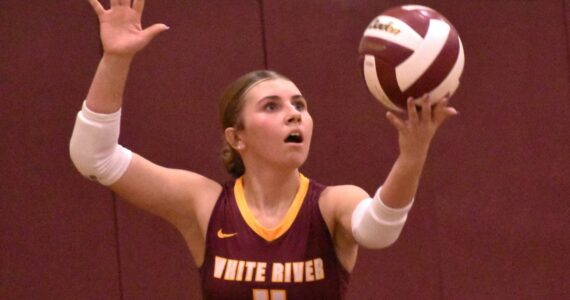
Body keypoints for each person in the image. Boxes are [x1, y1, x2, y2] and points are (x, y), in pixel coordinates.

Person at [70, 0, 458, 299]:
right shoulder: (203, 205)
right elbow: (95, 157)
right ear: (236, 137)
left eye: (300, 105)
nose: (294, 115)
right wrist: (116, 58)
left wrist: (412, 156)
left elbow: (378, 231)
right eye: (271, 106)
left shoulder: (332, 205)